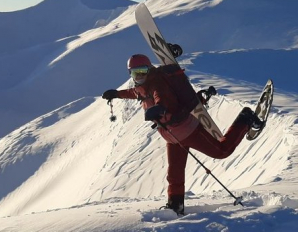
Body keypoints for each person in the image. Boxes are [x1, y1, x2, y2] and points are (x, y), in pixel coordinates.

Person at [102, 54, 264, 215]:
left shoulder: (158, 83)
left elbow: (161, 97)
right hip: (172, 137)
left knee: (222, 151)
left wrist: (160, 108)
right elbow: (136, 93)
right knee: (175, 173)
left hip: (188, 130)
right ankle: (175, 205)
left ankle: (246, 118)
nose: (140, 76)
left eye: (143, 71)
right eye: (135, 73)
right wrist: (117, 94)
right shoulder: (142, 86)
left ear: (150, 69)